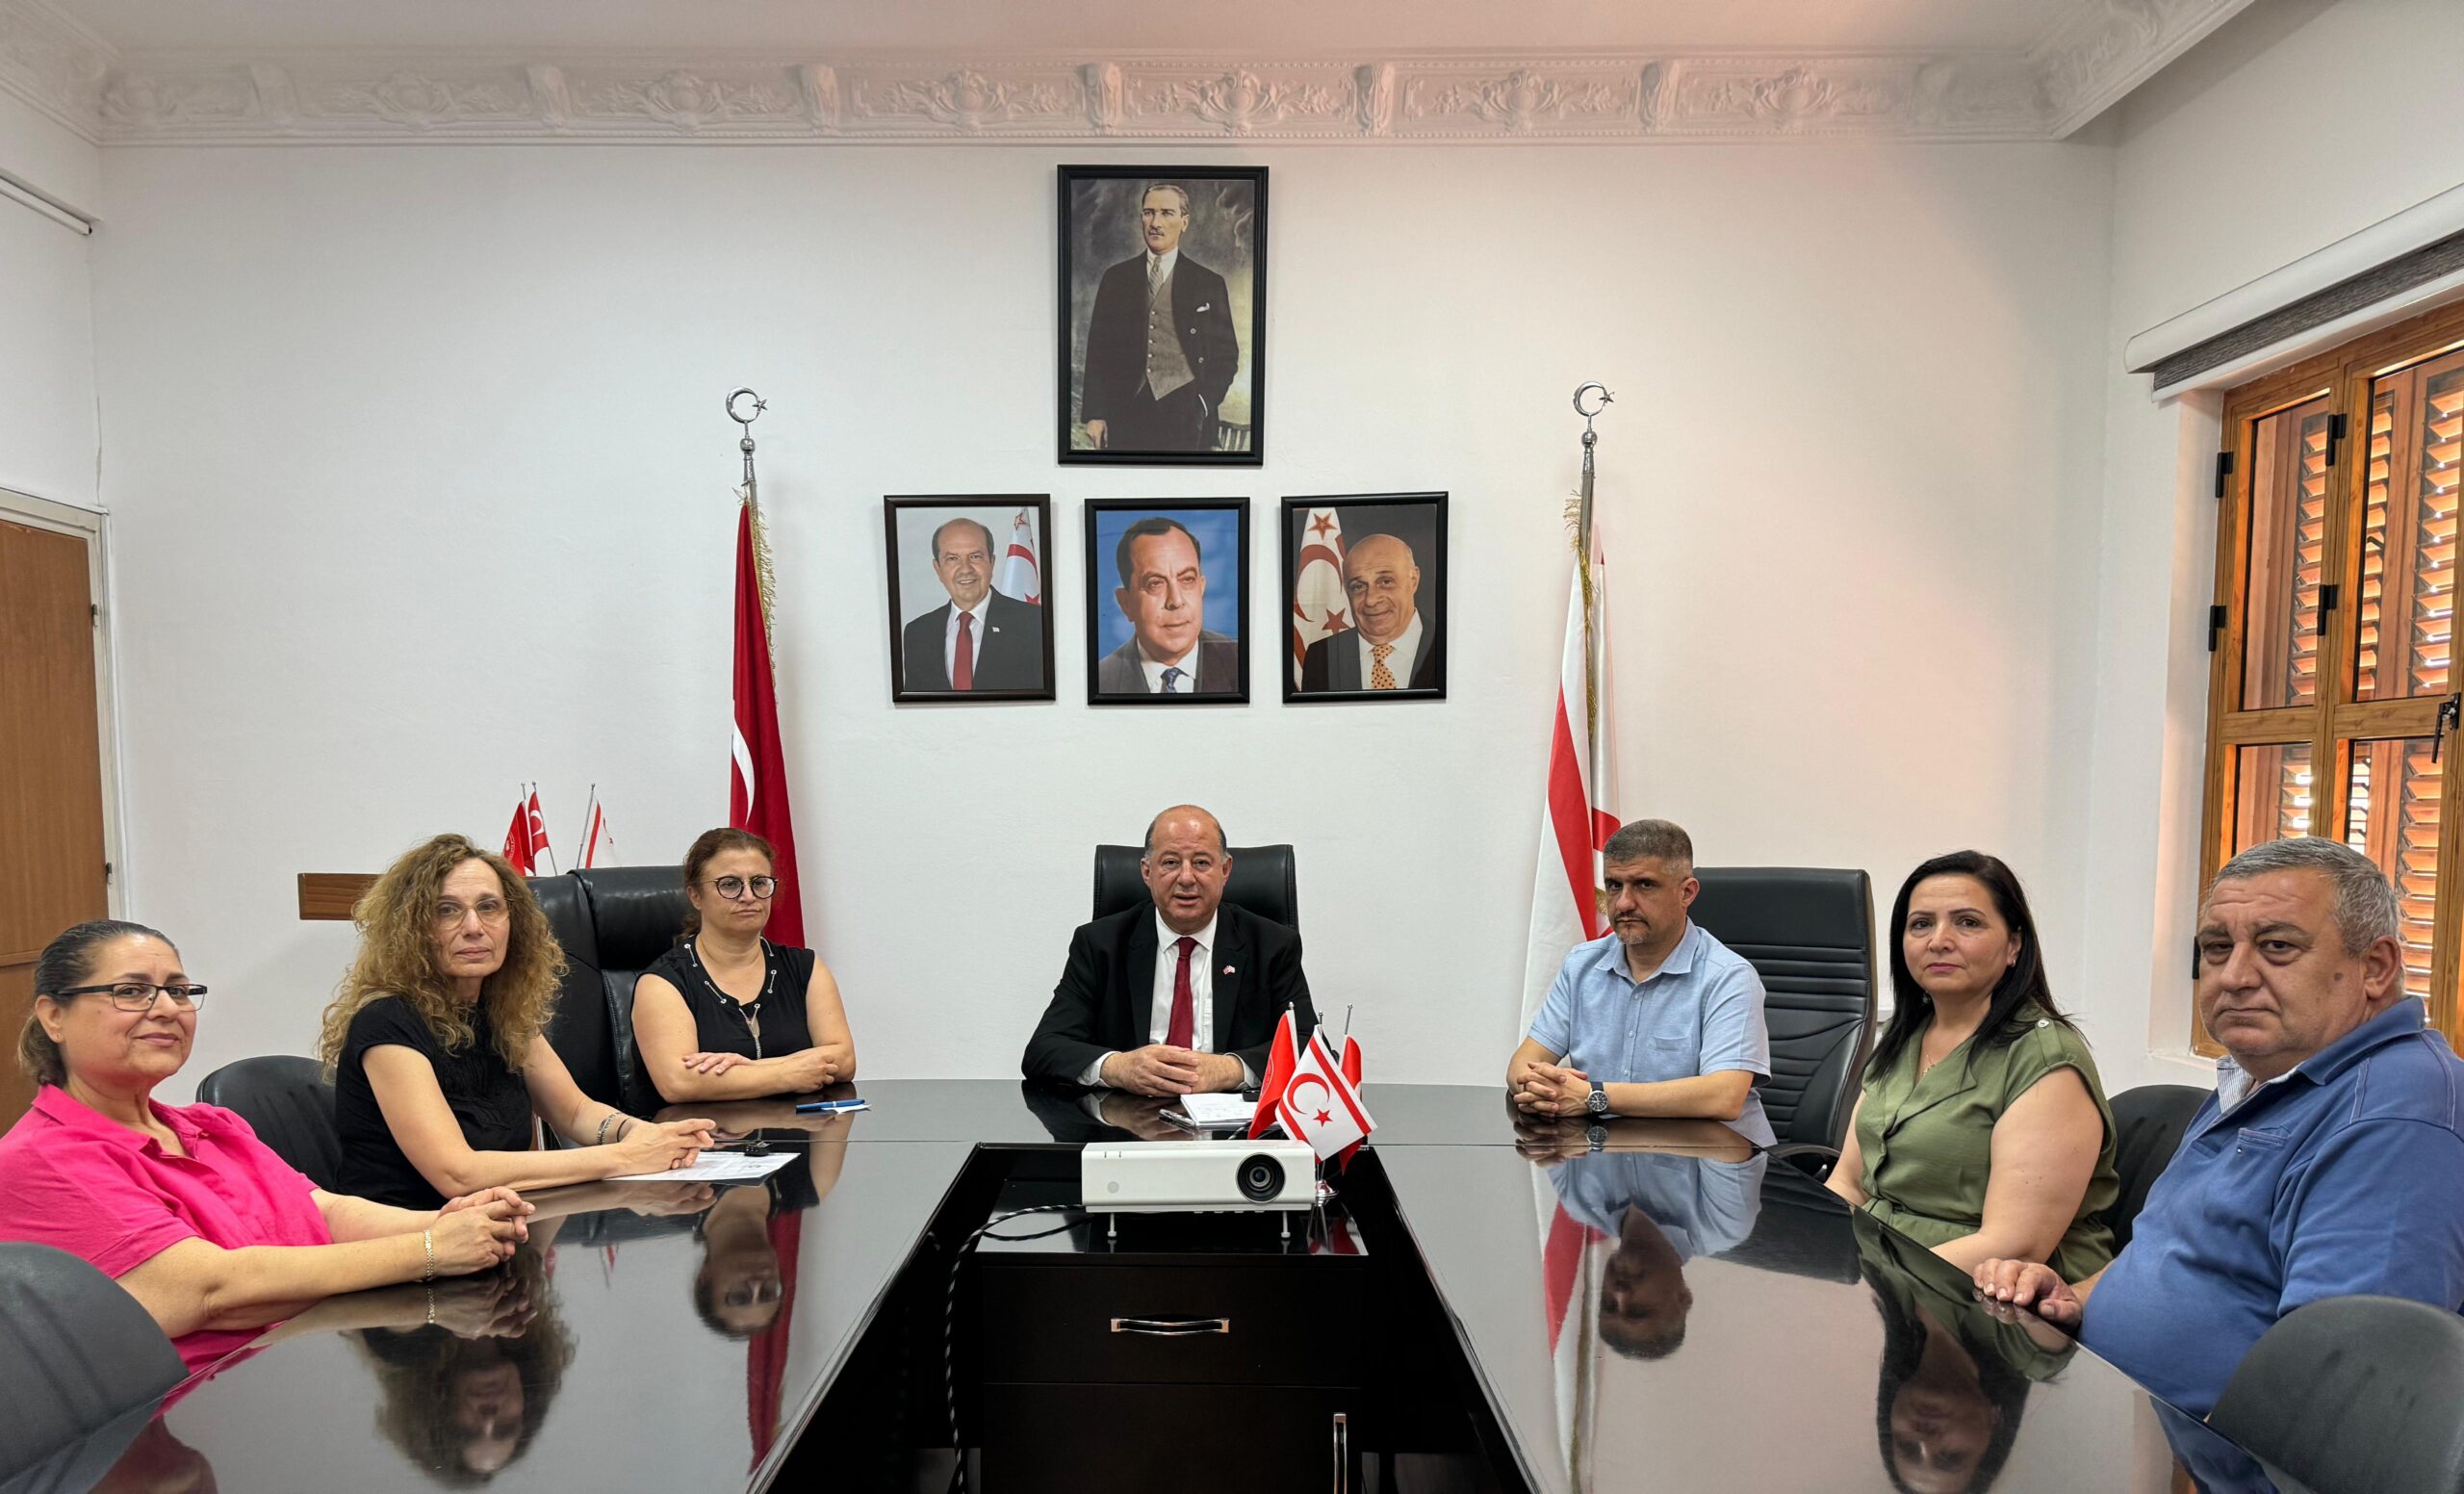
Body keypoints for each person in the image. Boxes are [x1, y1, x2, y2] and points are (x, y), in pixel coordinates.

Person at [1977, 837, 2464, 1417]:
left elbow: (2342, 1397)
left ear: (2376, 968)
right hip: (2109, 1407)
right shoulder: (2266, 1071)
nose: (2233, 976)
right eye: (2216, 947)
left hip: (2201, 1454)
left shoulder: (2395, 1117)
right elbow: (2177, 1249)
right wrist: (2076, 1297)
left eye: (2277, 946)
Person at [0, 919, 534, 1373]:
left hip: (301, 1361)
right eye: (132, 991)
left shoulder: (211, 1126)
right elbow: (210, 1289)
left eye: (179, 991)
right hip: (187, 1415)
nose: (166, 1008)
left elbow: (324, 1211)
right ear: (54, 1016)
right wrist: (431, 1250)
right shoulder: (40, 1160)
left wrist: (450, 1222)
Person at [321, 834, 717, 1210]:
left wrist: (642, 1133)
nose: (474, 928)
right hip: (410, 1238)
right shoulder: (387, 1022)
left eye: (489, 907)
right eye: (447, 910)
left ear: (515, 921)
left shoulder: (501, 1011)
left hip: (495, 1229)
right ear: (412, 928)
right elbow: (457, 1173)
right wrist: (625, 1157)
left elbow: (575, 1112)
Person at [1827, 853, 2118, 1280]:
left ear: (2014, 945)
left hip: (1988, 1291)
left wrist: (1875, 1287)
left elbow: (2014, 1244)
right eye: (1921, 924)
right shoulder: (1903, 1038)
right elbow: (1848, 1184)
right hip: (1879, 1270)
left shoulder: (2044, 1059)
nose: (1939, 940)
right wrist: (1818, 1255)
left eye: (1968, 922)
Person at [1507, 820, 1776, 1146]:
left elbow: (1724, 1097)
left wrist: (1593, 1096)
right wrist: (1540, 1090)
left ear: (1687, 893)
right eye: (1614, 885)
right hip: (1608, 1153)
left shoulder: (1728, 977)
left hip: (1712, 1162)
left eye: (1644, 885)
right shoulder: (1581, 965)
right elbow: (1522, 1064)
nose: (1623, 903)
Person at [1022, 804, 1316, 1093]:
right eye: (1171, 863)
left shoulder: (1272, 945)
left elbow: (1309, 1047)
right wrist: (1119, 1067)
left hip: (1230, 1117)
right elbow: (1045, 1049)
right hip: (1125, 1114)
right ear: (1146, 871)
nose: (1186, 878)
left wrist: (1229, 1069)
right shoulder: (1099, 944)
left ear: (1225, 870)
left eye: (1201, 863)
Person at [630, 828, 858, 1107]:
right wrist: (787, 1074)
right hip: (701, 1133)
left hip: (801, 1128)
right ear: (695, 896)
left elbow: (844, 1059)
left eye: (759, 883)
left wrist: (746, 1070)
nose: (748, 896)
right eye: (729, 884)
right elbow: (678, 1083)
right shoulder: (663, 982)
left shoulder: (805, 968)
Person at [1861, 1217, 2073, 1494]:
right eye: (1950, 1456)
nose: (1925, 1440)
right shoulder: (2034, 1352)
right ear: (1996, 1426)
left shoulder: (1888, 1291)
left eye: (1907, 1446)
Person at [1537, 1137, 1765, 1361]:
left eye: (1608, 1305)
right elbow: (1723, 1140)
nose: (1620, 1293)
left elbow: (1542, 1130)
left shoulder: (1580, 1203)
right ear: (1683, 1298)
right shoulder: (1722, 1225)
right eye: (1638, 1310)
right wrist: (1599, 1134)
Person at [1078, 182, 1240, 453]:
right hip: (1126, 412)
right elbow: (1098, 350)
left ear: (1184, 222)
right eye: (1149, 212)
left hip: (1187, 416)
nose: (1155, 223)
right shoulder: (1116, 279)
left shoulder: (1208, 283)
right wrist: (1095, 414)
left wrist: (1202, 403)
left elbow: (1227, 355)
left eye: (1166, 213)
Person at [1094, 518, 1240, 695]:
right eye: (1155, 583)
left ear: (1201, 588)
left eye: (1187, 579)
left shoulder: (1242, 664)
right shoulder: (1100, 681)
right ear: (1126, 603)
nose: (1176, 601)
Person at [900, 516, 1043, 693]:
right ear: (938, 569)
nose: (966, 569)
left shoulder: (1035, 623)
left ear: (992, 563)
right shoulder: (917, 633)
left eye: (975, 556)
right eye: (952, 558)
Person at [1298, 533, 1443, 692]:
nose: (1371, 600)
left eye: (1385, 582)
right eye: (1358, 586)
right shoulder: (1321, 657)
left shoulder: (1450, 646)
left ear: (1413, 580)